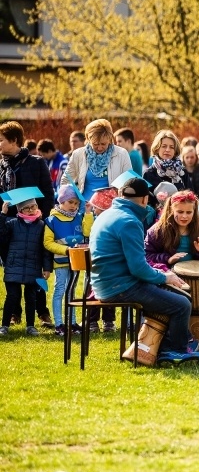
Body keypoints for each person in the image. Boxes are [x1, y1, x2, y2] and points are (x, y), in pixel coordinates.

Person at [89, 177, 199, 364]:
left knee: (170, 296)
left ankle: (152, 348)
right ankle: (174, 351)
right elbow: (138, 269)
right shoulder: (129, 221)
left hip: (104, 285)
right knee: (182, 304)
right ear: (144, 200)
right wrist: (165, 277)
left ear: (120, 195)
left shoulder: (105, 215)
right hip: (121, 287)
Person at [143, 190, 199, 358]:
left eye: (189, 212)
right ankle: (188, 338)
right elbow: (147, 256)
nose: (184, 216)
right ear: (171, 210)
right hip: (170, 278)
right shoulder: (157, 231)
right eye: (180, 212)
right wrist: (167, 259)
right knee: (178, 300)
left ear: (195, 211)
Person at [0, 194, 53, 337]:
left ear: (37, 207)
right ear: (20, 211)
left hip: (33, 266)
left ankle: (30, 325)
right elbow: (1, 237)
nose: (30, 210)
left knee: (31, 297)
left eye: (33, 207)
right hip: (14, 266)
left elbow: (46, 249)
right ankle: (4, 325)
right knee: (12, 296)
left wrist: (47, 268)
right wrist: (2, 215)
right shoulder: (11, 223)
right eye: (26, 208)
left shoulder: (42, 226)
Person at [44, 185, 93, 336]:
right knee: (59, 290)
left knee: (71, 291)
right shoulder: (52, 220)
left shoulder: (78, 217)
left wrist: (88, 213)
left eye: (76, 203)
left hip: (76, 260)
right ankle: (59, 324)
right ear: (62, 201)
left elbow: (87, 232)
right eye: (71, 202)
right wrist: (65, 250)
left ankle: (72, 322)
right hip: (62, 261)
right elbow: (47, 242)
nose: (74, 206)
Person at [62, 119, 132, 200]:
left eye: (103, 144)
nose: (99, 148)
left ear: (109, 139)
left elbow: (129, 183)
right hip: (84, 208)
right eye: (95, 144)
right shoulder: (78, 154)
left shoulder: (122, 154)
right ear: (88, 139)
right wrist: (71, 200)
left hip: (111, 208)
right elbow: (66, 180)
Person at [143, 130, 191, 206]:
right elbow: (146, 201)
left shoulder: (182, 172)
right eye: (164, 146)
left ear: (175, 151)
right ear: (157, 148)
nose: (168, 150)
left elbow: (191, 196)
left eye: (171, 147)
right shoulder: (149, 173)